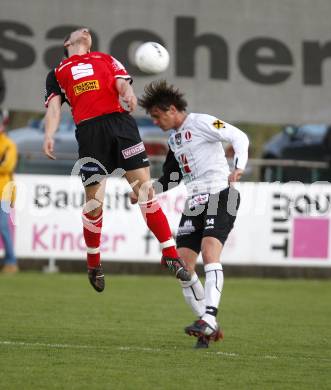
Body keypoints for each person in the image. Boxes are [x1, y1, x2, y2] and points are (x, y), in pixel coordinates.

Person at [43, 27, 190, 292]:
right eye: (80, 30)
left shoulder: (105, 59)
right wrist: (49, 135)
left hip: (120, 125)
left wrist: (128, 93)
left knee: (145, 191)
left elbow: (121, 82)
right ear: (68, 42)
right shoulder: (57, 73)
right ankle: (94, 262)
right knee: (94, 204)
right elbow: (54, 107)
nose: (86, 31)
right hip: (89, 132)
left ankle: (169, 254)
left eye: (88, 31)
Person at [137, 80, 249, 348]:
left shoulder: (202, 122)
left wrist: (239, 166)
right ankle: (206, 324)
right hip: (195, 203)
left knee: (211, 252)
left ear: (172, 109)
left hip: (221, 194)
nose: (155, 122)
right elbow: (171, 178)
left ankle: (209, 317)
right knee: (182, 268)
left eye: (156, 116)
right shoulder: (175, 139)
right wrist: (146, 190)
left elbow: (239, 136)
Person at [0, 108, 18, 273]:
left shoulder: (8, 145)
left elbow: (7, 166)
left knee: (3, 226)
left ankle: (11, 261)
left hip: (3, 192)